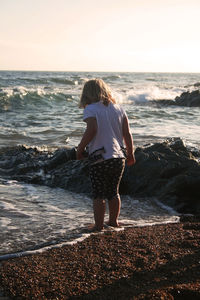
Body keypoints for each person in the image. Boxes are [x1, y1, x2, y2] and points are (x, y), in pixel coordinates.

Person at [76, 79, 135, 231]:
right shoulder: (118, 108)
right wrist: (131, 153)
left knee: (98, 194)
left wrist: (80, 148)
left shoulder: (90, 109)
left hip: (100, 157)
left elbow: (92, 130)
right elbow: (127, 133)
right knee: (113, 192)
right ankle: (113, 222)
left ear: (86, 94)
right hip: (118, 157)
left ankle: (99, 226)